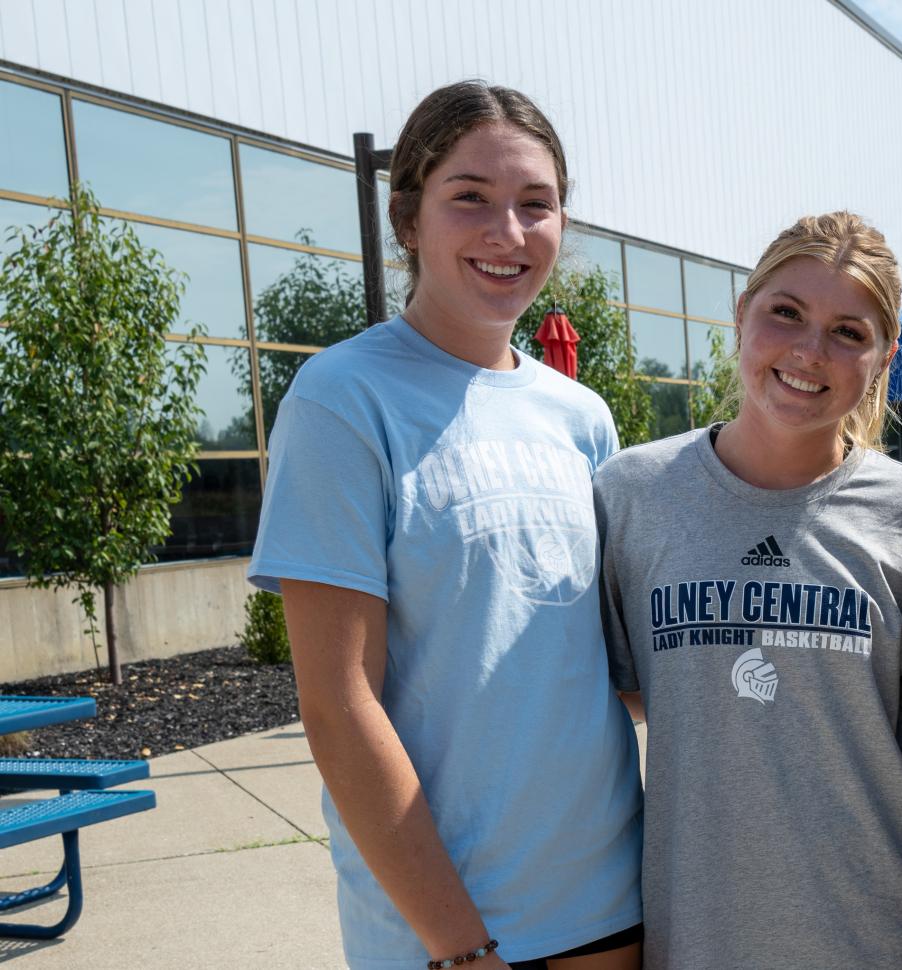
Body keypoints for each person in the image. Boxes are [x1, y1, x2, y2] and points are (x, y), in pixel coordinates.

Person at [247, 81, 643, 970]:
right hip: (445, 931)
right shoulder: (346, 399)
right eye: (470, 198)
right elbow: (337, 704)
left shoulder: (582, 417)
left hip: (612, 899)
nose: (508, 232)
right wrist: (459, 947)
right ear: (408, 219)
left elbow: (604, 666)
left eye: (535, 205)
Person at [595, 212, 902, 970]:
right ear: (742, 314)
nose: (808, 352)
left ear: (885, 355)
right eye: (785, 314)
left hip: (877, 936)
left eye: (848, 332)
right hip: (697, 937)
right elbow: (631, 693)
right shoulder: (634, 495)